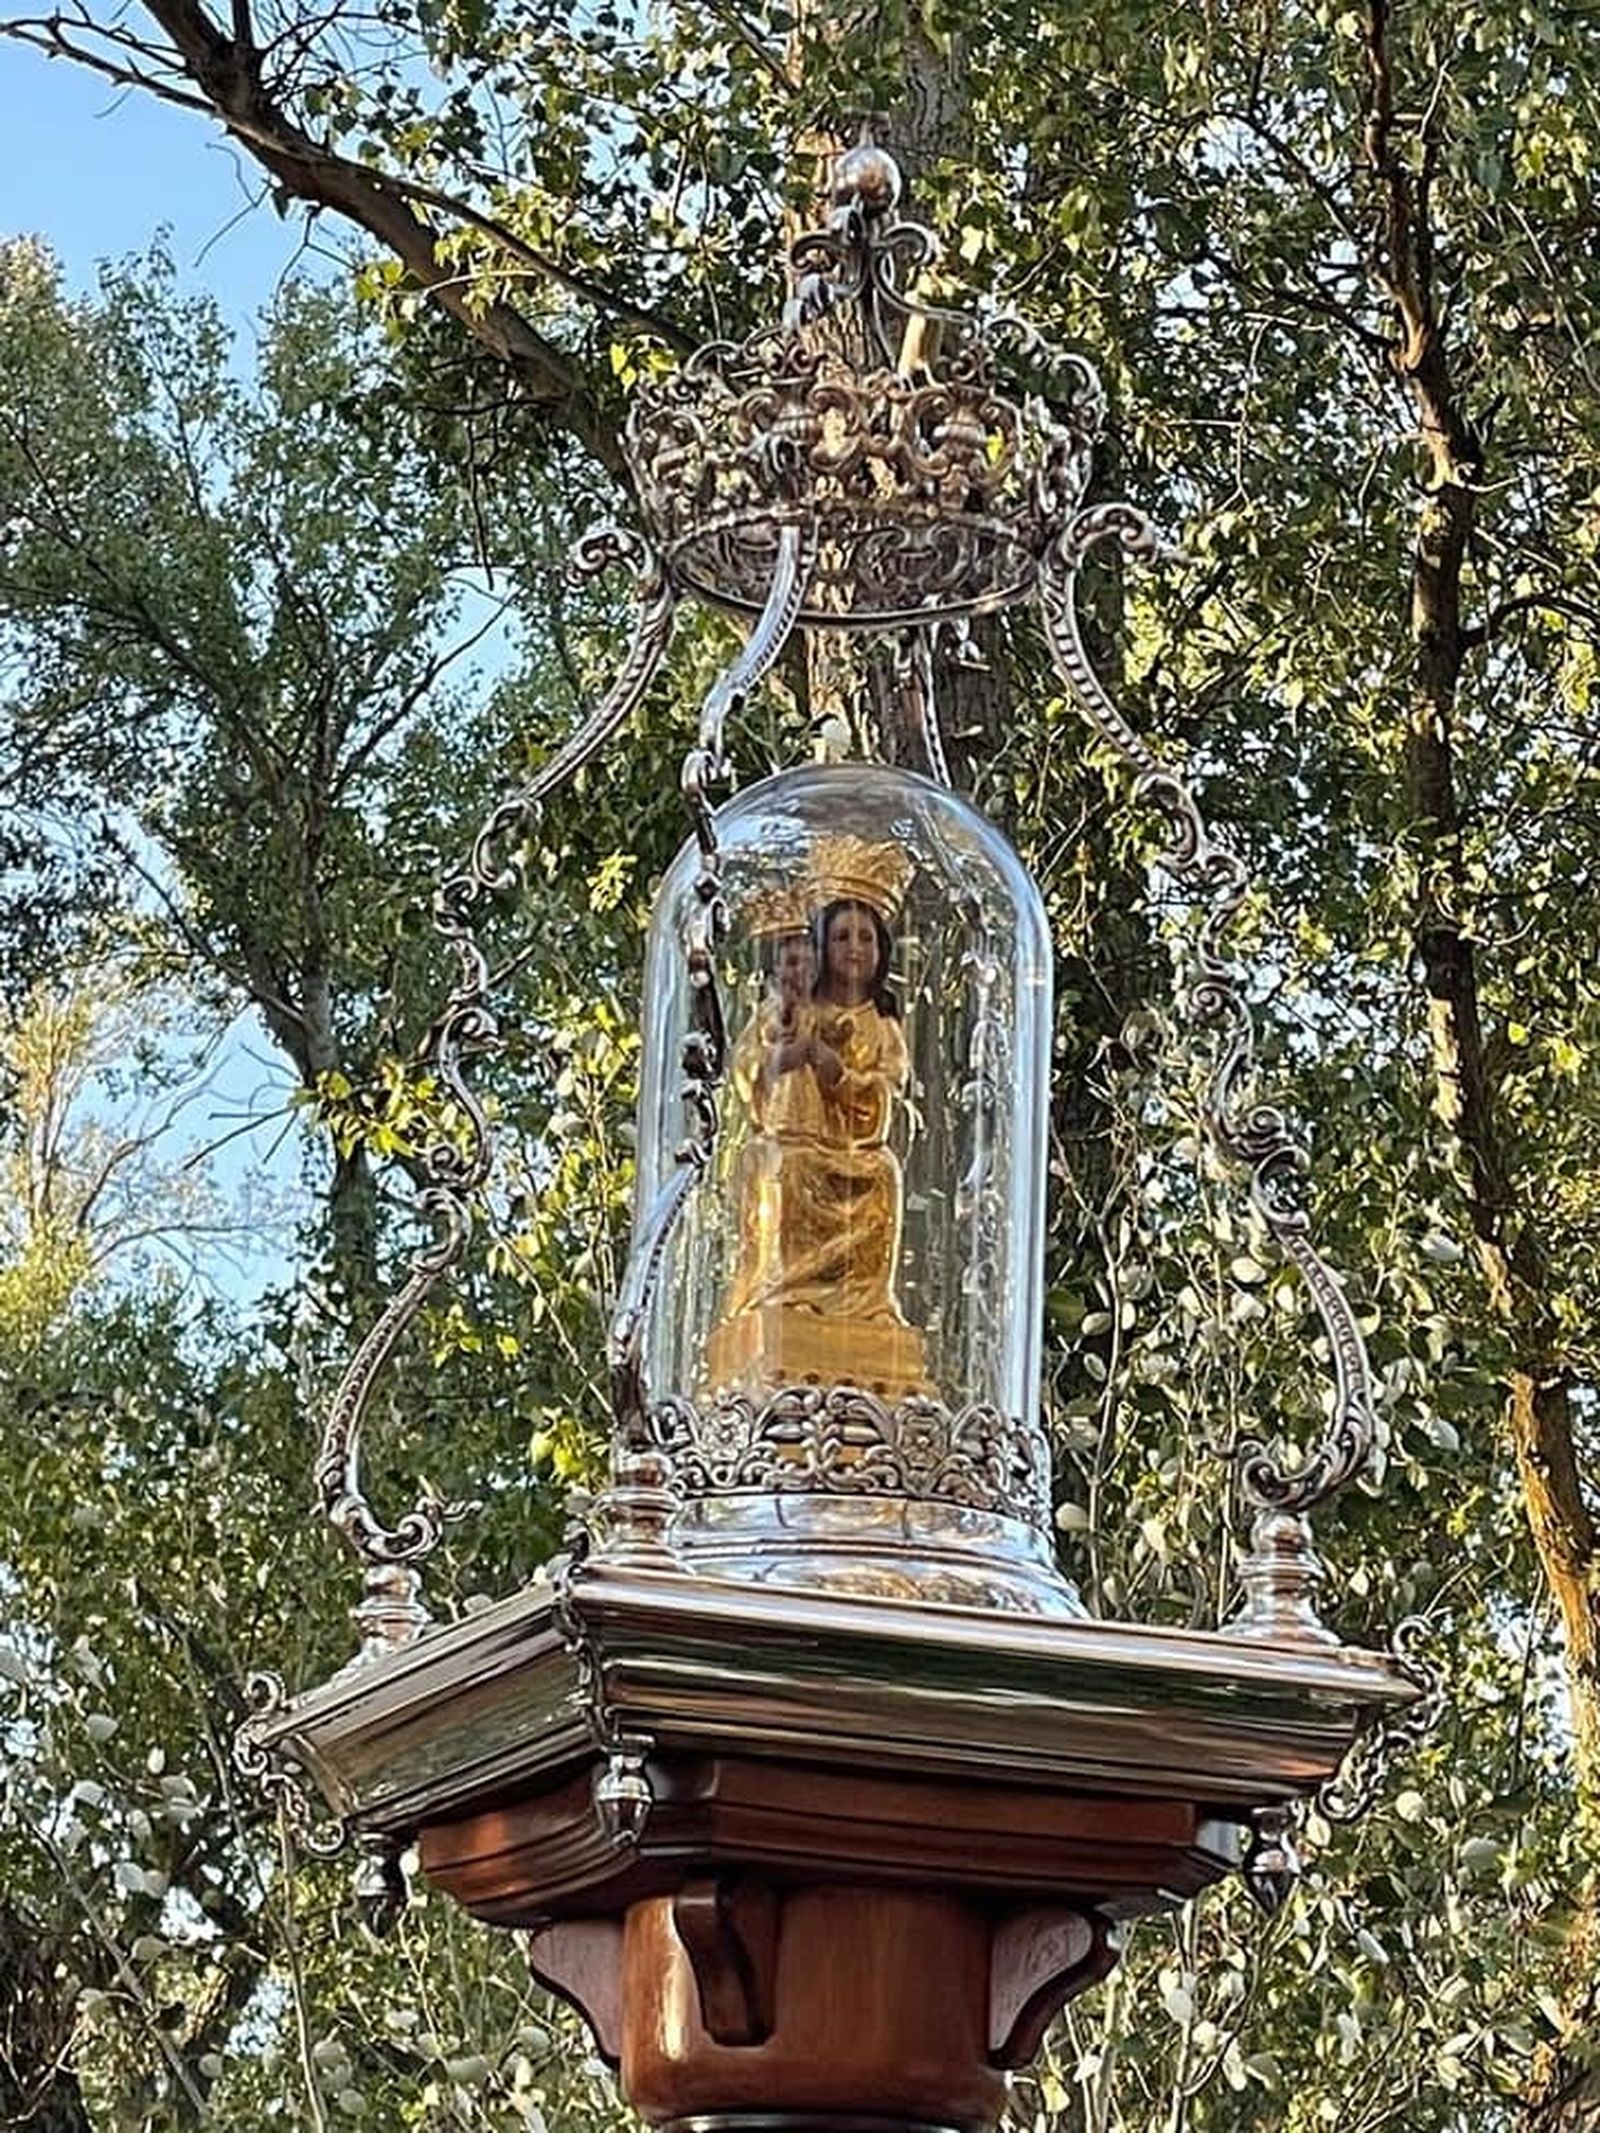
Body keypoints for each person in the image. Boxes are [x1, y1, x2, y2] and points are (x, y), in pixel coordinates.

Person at [709, 862, 927, 1399]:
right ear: (821, 946)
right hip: (793, 1142)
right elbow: (746, 1070)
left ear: (882, 951)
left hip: (856, 1150)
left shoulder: (883, 1025)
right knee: (780, 1167)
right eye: (842, 936)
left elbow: (890, 1092)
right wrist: (786, 1054)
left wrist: (842, 1076)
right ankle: (781, 1295)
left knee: (885, 1175)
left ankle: (866, 1309)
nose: (854, 948)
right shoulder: (792, 1006)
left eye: (866, 937)